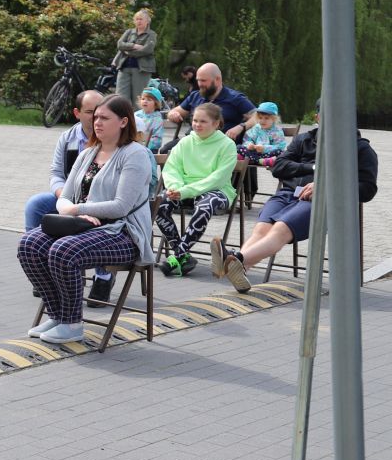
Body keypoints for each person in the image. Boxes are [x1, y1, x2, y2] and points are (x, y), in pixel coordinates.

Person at [18, 94, 155, 344]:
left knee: (63, 250)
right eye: (95, 117)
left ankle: (72, 324)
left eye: (105, 118)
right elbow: (64, 197)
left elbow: (121, 207)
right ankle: (57, 315)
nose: (97, 122)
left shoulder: (136, 154)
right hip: (84, 228)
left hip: (123, 233)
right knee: (29, 244)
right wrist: (72, 208)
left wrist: (79, 209)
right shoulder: (88, 153)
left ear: (124, 122)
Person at [211, 105, 379, 293]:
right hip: (289, 194)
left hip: (324, 202)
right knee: (261, 229)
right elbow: (279, 166)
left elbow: (367, 189)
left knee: (281, 229)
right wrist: (314, 169)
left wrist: (326, 186)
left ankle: (235, 260)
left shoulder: (361, 149)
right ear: (318, 117)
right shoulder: (304, 140)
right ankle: (238, 268)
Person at [24, 90, 114, 304]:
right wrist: (64, 197)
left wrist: (83, 204)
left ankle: (104, 276)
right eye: (90, 112)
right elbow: (56, 173)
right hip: (69, 196)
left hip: (100, 200)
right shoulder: (68, 138)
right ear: (77, 113)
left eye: (102, 113)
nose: (96, 119)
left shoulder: (112, 140)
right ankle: (41, 270)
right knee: (35, 204)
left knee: (106, 217)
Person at [156, 102, 238, 276]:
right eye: (195, 120)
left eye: (203, 121)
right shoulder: (185, 142)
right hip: (183, 189)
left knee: (204, 206)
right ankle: (184, 255)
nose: (197, 124)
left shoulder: (227, 145)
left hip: (217, 191)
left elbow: (218, 178)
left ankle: (177, 255)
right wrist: (174, 188)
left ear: (216, 124)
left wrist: (185, 191)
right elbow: (172, 168)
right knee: (160, 204)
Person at [165, 62, 254, 144]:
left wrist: (241, 127)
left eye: (203, 81)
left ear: (217, 80)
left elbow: (257, 117)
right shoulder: (195, 96)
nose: (199, 84)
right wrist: (173, 114)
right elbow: (174, 112)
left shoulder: (235, 98)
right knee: (165, 150)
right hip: (194, 143)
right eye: (198, 80)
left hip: (221, 146)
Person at [112, 9, 157, 105]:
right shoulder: (129, 32)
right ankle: (124, 118)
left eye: (141, 19)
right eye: (136, 19)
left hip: (141, 69)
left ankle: (137, 119)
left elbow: (147, 50)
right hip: (124, 67)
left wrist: (128, 51)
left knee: (138, 98)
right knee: (120, 97)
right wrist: (133, 46)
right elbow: (120, 44)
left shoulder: (151, 34)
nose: (138, 21)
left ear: (147, 21)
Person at [135, 86, 166, 154]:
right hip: (134, 146)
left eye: (149, 100)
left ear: (156, 103)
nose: (145, 101)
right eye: (143, 99)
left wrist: (143, 145)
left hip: (149, 149)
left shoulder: (157, 119)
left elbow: (157, 141)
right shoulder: (136, 115)